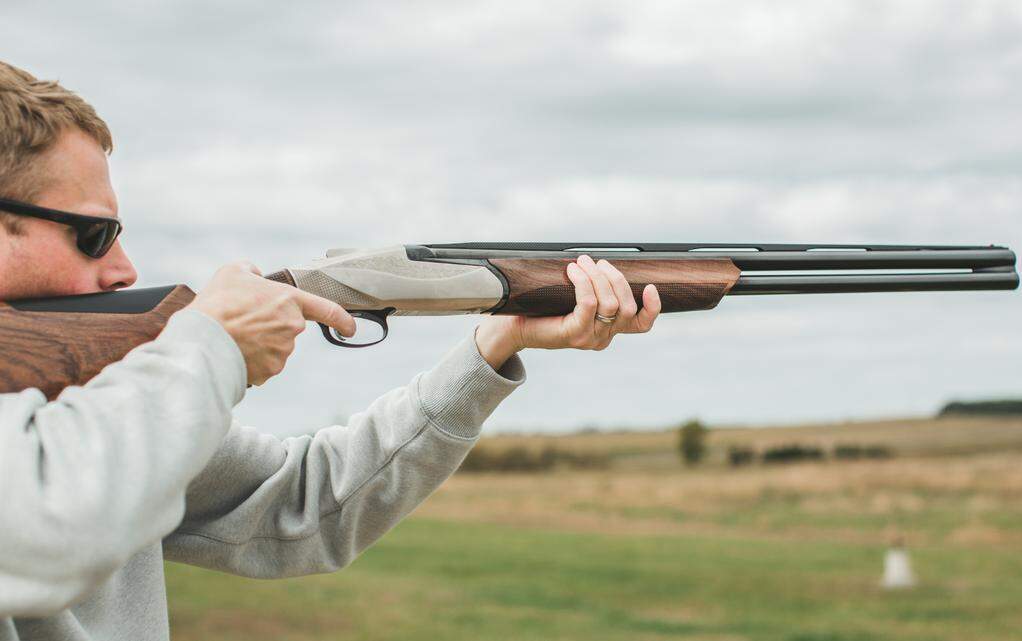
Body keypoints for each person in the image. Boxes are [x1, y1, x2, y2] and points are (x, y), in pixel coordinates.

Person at [0, 60, 662, 641]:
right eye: (93, 234)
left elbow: (306, 505)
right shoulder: (126, 413)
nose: (124, 268)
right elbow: (41, 534)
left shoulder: (96, 404)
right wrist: (212, 345)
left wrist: (494, 346)